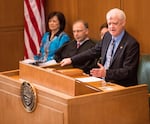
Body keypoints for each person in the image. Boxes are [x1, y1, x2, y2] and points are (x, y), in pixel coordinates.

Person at [60, 8, 140, 87]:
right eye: (109, 24)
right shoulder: (107, 36)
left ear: (123, 23)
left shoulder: (131, 44)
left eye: (115, 23)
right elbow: (93, 51)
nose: (111, 27)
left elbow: (128, 71)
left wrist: (106, 73)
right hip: (102, 81)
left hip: (120, 85)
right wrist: (72, 59)